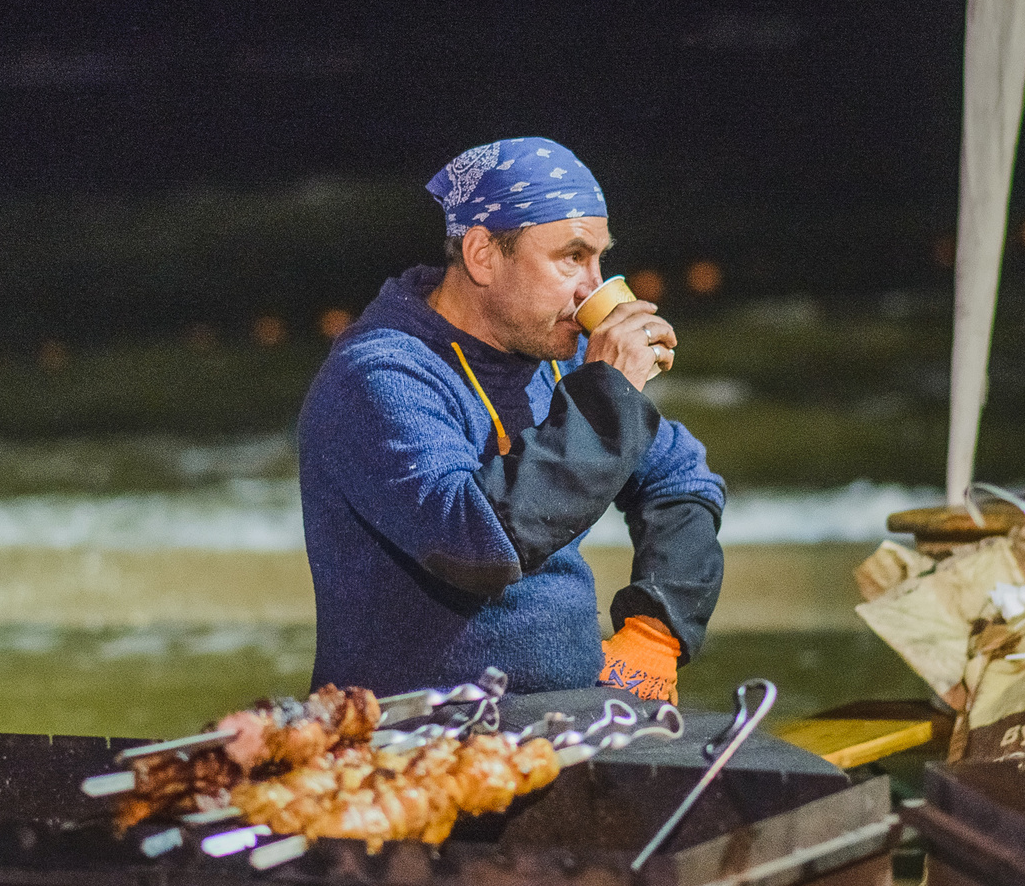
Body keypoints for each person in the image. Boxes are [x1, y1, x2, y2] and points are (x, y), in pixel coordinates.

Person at [298, 138, 724, 700]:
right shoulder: (380, 372)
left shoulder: (558, 355)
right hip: (415, 734)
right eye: (572, 257)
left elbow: (681, 478)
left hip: (568, 713)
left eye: (599, 259)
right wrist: (607, 397)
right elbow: (474, 546)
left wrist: (656, 628)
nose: (593, 289)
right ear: (481, 254)